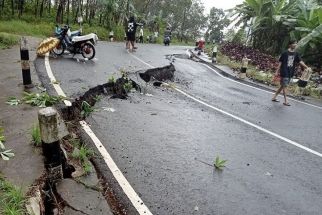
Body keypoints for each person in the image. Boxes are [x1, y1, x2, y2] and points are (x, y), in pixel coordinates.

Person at [271, 40, 309, 106]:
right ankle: (286, 101)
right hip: (284, 71)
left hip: (290, 72)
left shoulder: (296, 54)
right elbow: (280, 62)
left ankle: (274, 97)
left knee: (282, 86)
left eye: (296, 43)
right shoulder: (285, 53)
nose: (295, 45)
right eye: (294, 43)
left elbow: (300, 61)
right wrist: (277, 71)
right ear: (290, 45)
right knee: (285, 86)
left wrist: (306, 67)